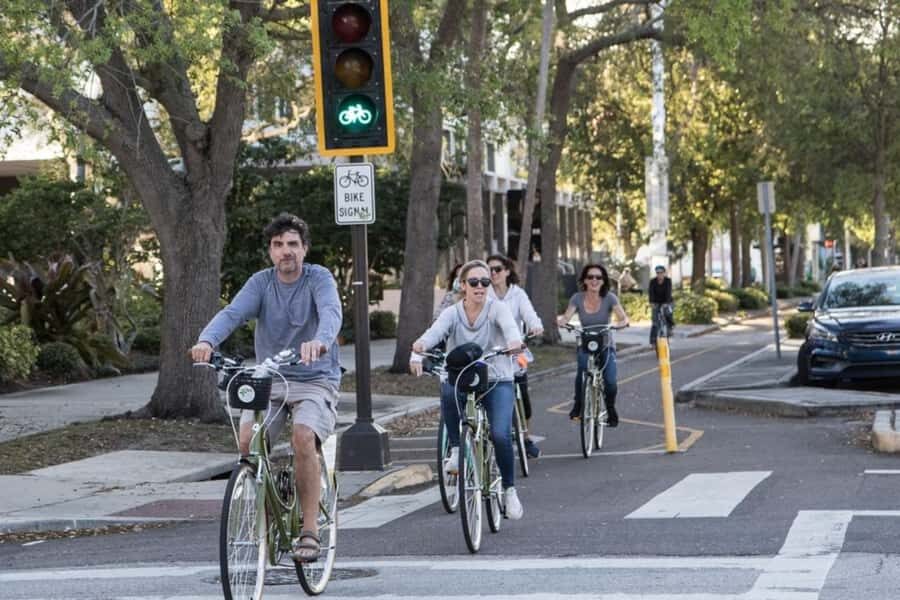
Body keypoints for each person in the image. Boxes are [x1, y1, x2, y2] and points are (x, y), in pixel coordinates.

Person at [190, 213, 341, 563]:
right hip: (270, 380)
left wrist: (320, 340)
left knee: (303, 437)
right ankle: (270, 515)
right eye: (278, 245)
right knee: (247, 443)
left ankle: (309, 530)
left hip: (315, 379)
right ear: (270, 251)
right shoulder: (261, 283)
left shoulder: (318, 278)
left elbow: (331, 312)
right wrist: (206, 341)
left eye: (292, 244)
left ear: (304, 249)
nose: (285, 251)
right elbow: (233, 313)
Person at [410, 259, 525, 519]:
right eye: (474, 282)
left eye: (485, 282)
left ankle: (509, 490)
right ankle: (456, 448)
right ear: (463, 285)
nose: (480, 287)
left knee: (500, 434)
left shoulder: (498, 309)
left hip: (497, 378)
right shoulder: (452, 312)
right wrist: (419, 345)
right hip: (462, 376)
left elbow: (510, 330)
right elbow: (435, 333)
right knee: (448, 389)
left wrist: (514, 342)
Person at [557, 263, 630, 426]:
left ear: (603, 280)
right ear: (584, 280)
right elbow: (567, 316)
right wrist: (562, 321)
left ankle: (610, 409)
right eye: (590, 277)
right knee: (582, 368)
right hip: (586, 342)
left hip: (605, 343)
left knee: (610, 381)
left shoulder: (610, 298)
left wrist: (621, 324)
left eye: (598, 277)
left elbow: (623, 317)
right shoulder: (577, 298)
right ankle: (578, 404)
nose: (594, 280)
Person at [486, 253, 543, 459]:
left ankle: (526, 438)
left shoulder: (517, 294)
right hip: (492, 354)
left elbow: (529, 314)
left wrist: (535, 326)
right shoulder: (485, 294)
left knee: (522, 395)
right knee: (494, 395)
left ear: (507, 271)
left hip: (516, 353)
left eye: (497, 269)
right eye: (490, 270)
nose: (493, 273)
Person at [648, 264, 675, 346]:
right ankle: (652, 341)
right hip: (656, 302)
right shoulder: (653, 282)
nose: (660, 275)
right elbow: (651, 293)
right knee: (655, 321)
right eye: (658, 273)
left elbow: (668, 292)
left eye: (661, 273)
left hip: (667, 302)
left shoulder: (668, 281)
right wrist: (651, 303)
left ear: (664, 273)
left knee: (668, 312)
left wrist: (666, 303)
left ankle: (670, 327)